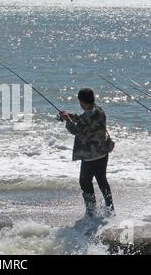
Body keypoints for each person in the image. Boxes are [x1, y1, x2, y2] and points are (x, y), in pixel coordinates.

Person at [59, 88, 114, 217]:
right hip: (102, 153)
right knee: (102, 181)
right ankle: (110, 208)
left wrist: (67, 120)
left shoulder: (88, 114)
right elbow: (84, 120)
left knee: (85, 182)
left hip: (91, 156)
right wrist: (70, 116)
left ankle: (91, 211)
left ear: (81, 101)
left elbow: (77, 130)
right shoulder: (99, 110)